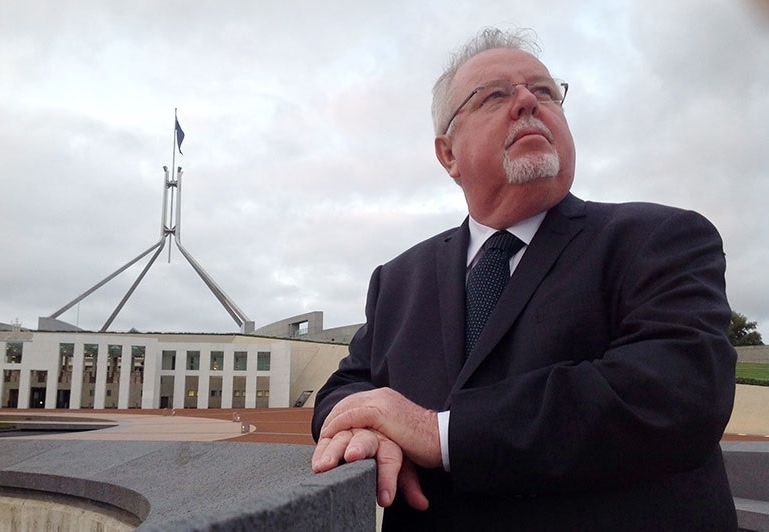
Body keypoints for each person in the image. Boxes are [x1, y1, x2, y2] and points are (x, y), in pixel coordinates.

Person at [311, 27, 737, 531]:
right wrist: (366, 430)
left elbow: (678, 391)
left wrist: (438, 434)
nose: (526, 102)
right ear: (448, 154)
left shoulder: (660, 238)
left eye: (545, 91)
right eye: (494, 95)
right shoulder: (398, 279)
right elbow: (346, 387)